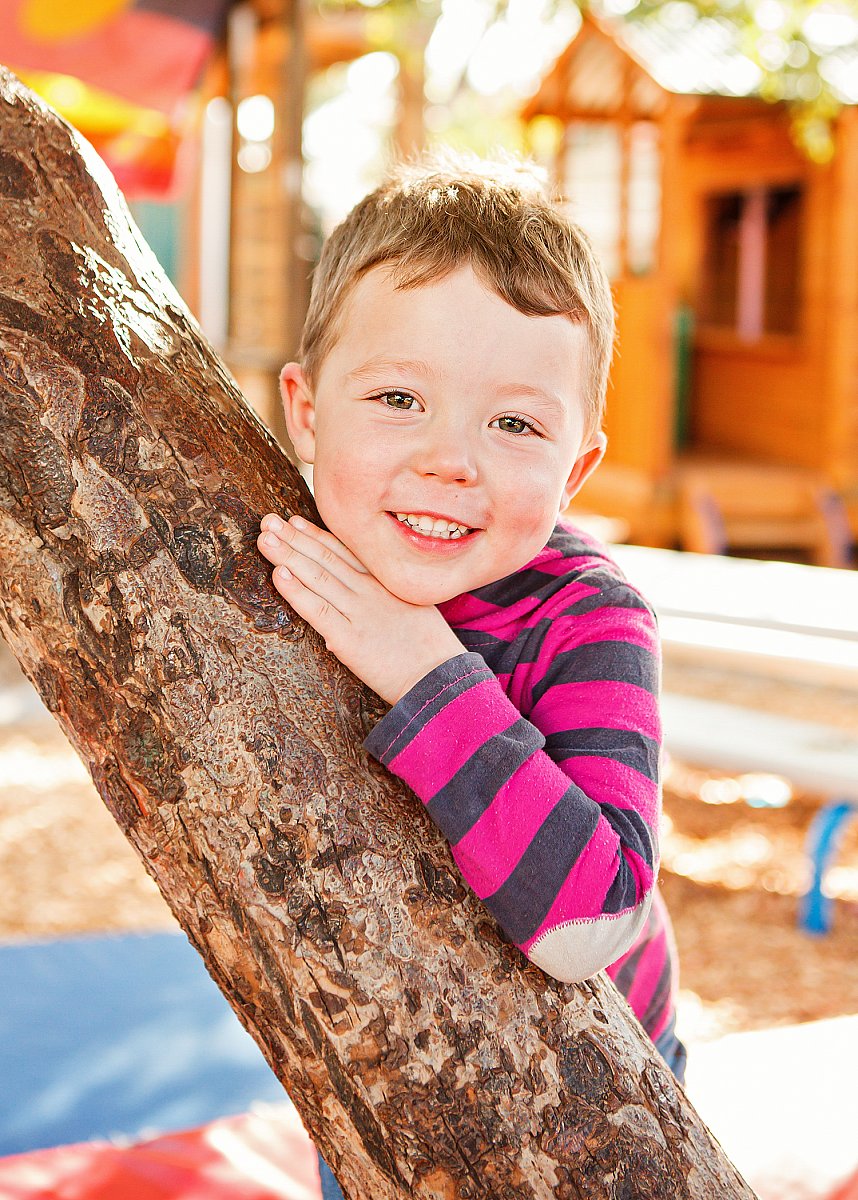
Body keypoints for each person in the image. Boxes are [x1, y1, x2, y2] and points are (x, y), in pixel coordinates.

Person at [257, 151, 685, 1199]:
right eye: (399, 396)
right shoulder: (299, 554)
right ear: (309, 412)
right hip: (385, 1057)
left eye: (516, 424)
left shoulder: (586, 613)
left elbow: (595, 921)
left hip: (596, 1097)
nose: (452, 458)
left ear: (577, 465)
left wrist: (422, 666)